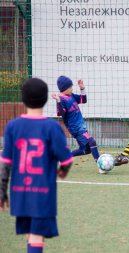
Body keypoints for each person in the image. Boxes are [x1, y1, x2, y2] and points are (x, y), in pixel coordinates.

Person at [0, 78, 73, 253]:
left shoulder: (12, 127)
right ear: (45, 99)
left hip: (19, 192)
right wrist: (62, 171)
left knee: (30, 234)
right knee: (36, 236)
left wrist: (2, 191)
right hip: (42, 193)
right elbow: (67, 160)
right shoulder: (51, 127)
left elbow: (5, 163)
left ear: (23, 99)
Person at [51, 76, 101, 172]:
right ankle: (100, 164)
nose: (72, 89)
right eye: (70, 87)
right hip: (75, 128)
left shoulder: (71, 96)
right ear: (65, 88)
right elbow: (62, 114)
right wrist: (58, 102)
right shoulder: (61, 99)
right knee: (92, 142)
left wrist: (82, 88)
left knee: (86, 150)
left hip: (81, 126)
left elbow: (83, 100)